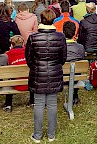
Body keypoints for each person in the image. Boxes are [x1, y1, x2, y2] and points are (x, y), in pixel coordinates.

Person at [26, 9, 67, 143]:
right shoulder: (60, 37)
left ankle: (38, 135)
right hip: (53, 72)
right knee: (52, 104)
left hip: (38, 73)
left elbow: (29, 59)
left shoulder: (33, 38)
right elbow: (63, 58)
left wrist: (36, 67)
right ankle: (51, 134)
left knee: (39, 104)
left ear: (41, 20)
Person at [3, 35, 34, 112]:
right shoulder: (29, 52)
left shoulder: (7, 55)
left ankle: (8, 104)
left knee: (10, 78)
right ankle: (33, 101)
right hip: (30, 84)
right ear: (23, 44)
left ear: (11, 45)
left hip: (15, 84)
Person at [63, 21, 85, 104]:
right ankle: (75, 95)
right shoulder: (80, 47)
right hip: (75, 78)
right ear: (75, 32)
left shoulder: (60, 47)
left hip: (61, 78)